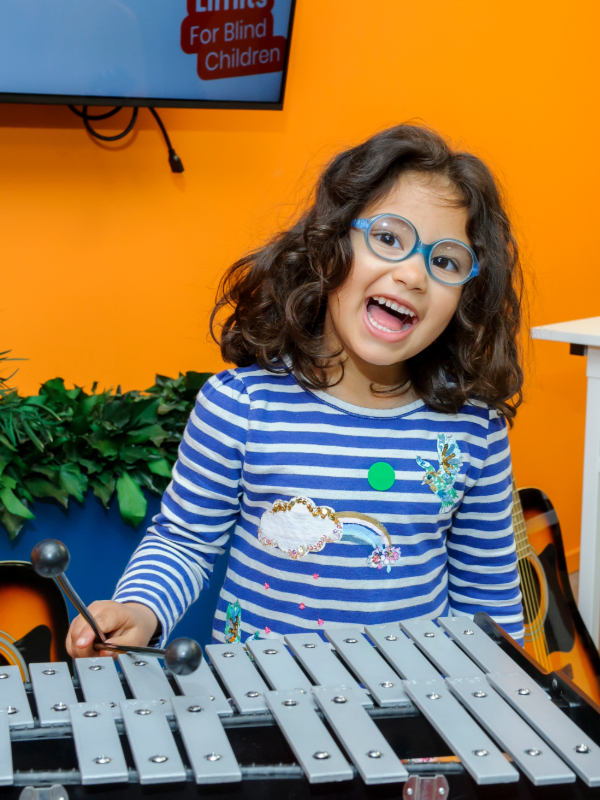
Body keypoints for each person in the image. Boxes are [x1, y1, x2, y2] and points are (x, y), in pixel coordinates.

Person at [66, 124, 525, 659]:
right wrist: (140, 611)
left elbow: (488, 597)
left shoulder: (474, 431)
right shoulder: (240, 406)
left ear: (466, 296)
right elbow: (184, 542)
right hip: (257, 697)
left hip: (410, 703)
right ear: (329, 247)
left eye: (445, 261)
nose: (413, 275)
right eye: (388, 238)